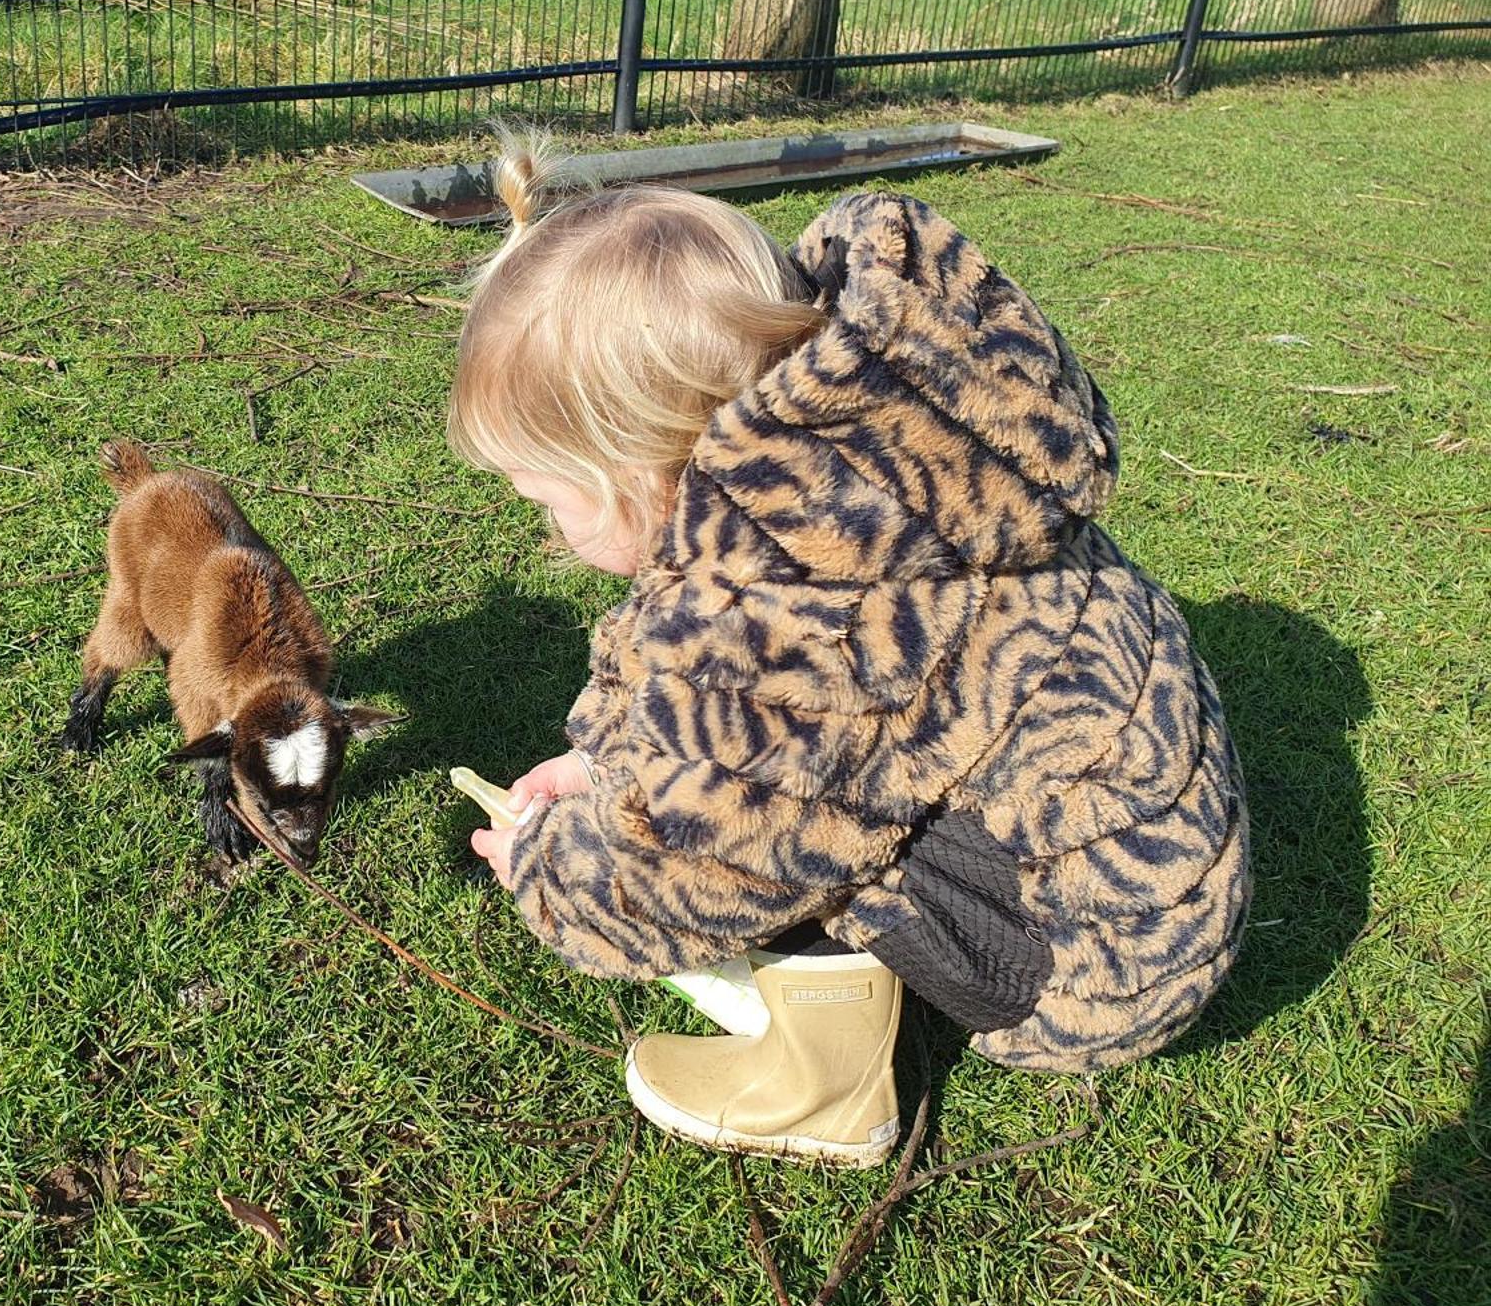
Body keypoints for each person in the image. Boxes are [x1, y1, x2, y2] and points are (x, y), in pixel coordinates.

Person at [449, 137, 1250, 1165]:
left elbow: (702, 856)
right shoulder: (852, 465)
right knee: (798, 776)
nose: (541, 526)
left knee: (783, 826)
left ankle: (822, 1090)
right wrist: (604, 757)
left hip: (1095, 957)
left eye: (545, 499)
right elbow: (674, 644)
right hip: (1132, 857)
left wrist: (551, 871)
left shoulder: (806, 605)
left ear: (640, 473)